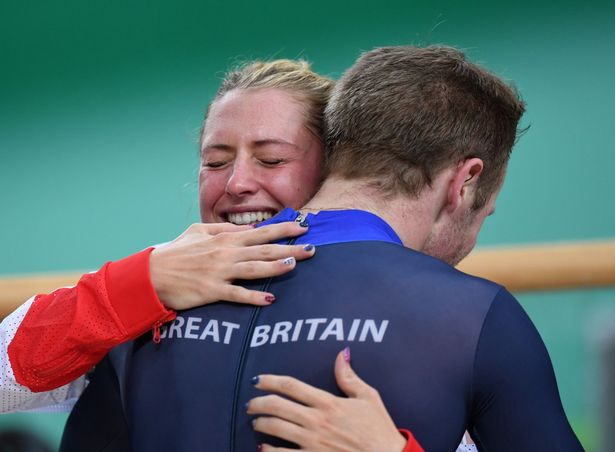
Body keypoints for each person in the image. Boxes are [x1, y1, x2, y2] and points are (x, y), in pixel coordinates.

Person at [59, 45, 583, 451]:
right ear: (466, 182)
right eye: (217, 160)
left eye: (269, 158)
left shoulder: (149, 292)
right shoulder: (477, 318)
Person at [1, 60, 425, 451]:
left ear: (334, 170)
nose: (238, 182)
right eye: (215, 162)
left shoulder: (402, 303)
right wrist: (143, 281)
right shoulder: (149, 292)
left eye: (272, 159)